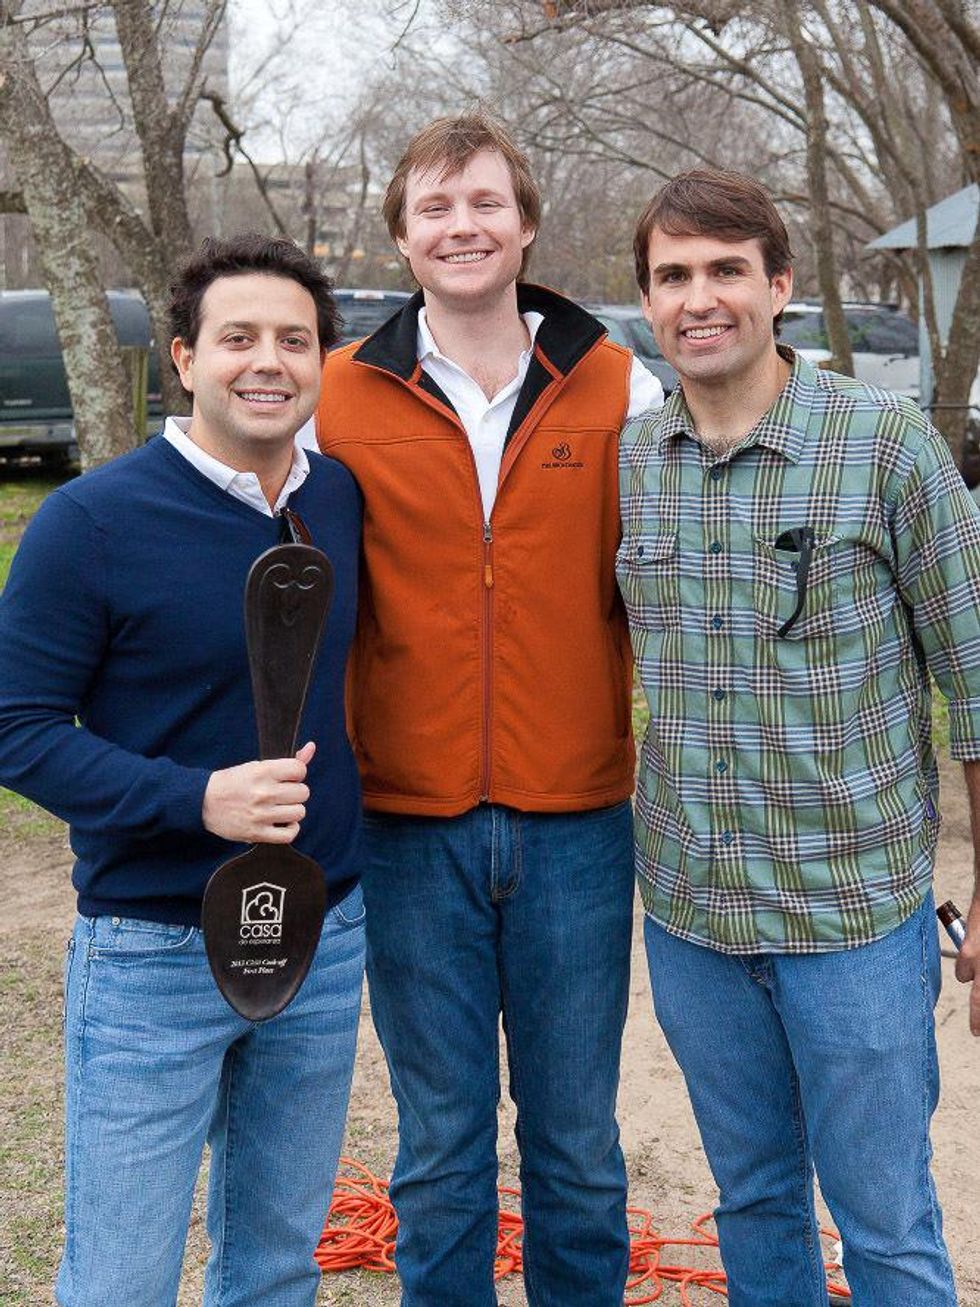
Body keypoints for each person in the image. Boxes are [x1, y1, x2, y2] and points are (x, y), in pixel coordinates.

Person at [315, 112, 663, 1307]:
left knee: (574, 1140)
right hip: (406, 823)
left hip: (575, 819)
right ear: (401, 239)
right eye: (433, 207)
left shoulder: (618, 382)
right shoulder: (337, 396)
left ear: (524, 226)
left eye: (482, 203)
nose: (459, 226)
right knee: (442, 1141)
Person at [619, 167, 980, 1306]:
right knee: (755, 1199)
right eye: (672, 275)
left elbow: (975, 681)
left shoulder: (886, 444)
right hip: (693, 918)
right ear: (647, 300)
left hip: (852, 923)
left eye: (726, 269)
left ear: (778, 286)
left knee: (885, 1220)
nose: (699, 298)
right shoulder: (632, 462)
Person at [0, 234, 366, 1306]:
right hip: (154, 945)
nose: (268, 361)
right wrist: (195, 796)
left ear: (321, 361)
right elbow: (14, 723)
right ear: (185, 358)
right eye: (238, 337)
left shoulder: (339, 498)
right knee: (121, 1279)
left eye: (293, 340)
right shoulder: (92, 520)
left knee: (275, 1265)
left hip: (321, 931)